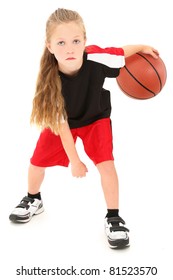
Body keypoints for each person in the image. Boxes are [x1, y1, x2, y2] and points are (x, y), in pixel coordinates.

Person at [9, 8, 159, 249]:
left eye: (76, 41)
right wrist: (75, 161)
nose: (70, 48)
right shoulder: (51, 81)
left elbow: (121, 52)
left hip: (96, 119)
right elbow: (62, 126)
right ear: (49, 46)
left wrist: (143, 47)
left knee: (107, 165)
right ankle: (32, 199)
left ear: (85, 41)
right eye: (61, 42)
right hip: (64, 124)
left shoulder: (97, 57)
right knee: (36, 163)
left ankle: (114, 218)